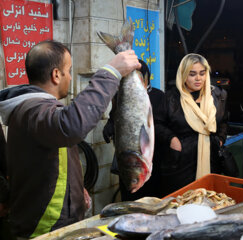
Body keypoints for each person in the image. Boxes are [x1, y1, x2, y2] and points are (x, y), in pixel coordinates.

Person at [0, 40, 141, 239]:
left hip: (56, 218)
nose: (69, 77)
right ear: (56, 75)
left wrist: (75, 187)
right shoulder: (32, 110)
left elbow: (54, 157)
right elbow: (71, 126)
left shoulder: (38, 110)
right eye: (68, 70)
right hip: (45, 225)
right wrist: (110, 73)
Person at [155, 53, 228, 196]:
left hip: (211, 159)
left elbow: (224, 121)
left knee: (209, 201)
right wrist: (172, 139)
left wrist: (220, 139)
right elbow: (157, 124)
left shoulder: (218, 96)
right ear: (183, 75)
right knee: (182, 204)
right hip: (181, 163)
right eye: (192, 74)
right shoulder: (171, 98)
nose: (198, 78)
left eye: (202, 73)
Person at [103, 59, 165, 200]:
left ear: (146, 77)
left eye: (139, 75)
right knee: (130, 197)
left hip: (152, 157)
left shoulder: (159, 96)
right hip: (129, 160)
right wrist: (109, 126)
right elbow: (115, 117)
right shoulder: (121, 95)